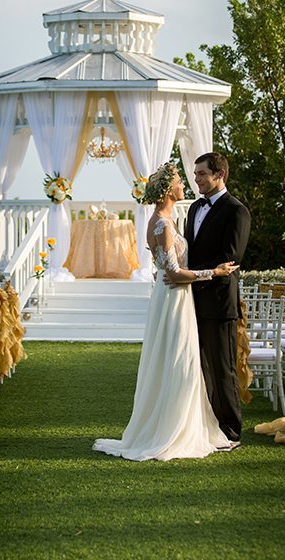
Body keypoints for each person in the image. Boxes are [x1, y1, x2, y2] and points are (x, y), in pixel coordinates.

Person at [92, 162, 239, 461]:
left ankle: (184, 424)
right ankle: (173, 430)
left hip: (175, 299)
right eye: (180, 181)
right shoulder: (162, 223)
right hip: (174, 298)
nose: (187, 183)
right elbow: (172, 273)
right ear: (169, 189)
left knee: (180, 363)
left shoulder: (164, 220)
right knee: (180, 363)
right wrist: (214, 272)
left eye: (197, 175)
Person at [185, 152, 251, 446]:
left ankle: (231, 431)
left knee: (222, 368)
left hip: (218, 301)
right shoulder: (193, 209)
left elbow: (231, 258)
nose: (196, 178)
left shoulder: (236, 211)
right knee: (200, 367)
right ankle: (206, 426)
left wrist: (196, 278)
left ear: (219, 175)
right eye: (196, 173)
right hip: (189, 301)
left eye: (201, 173)